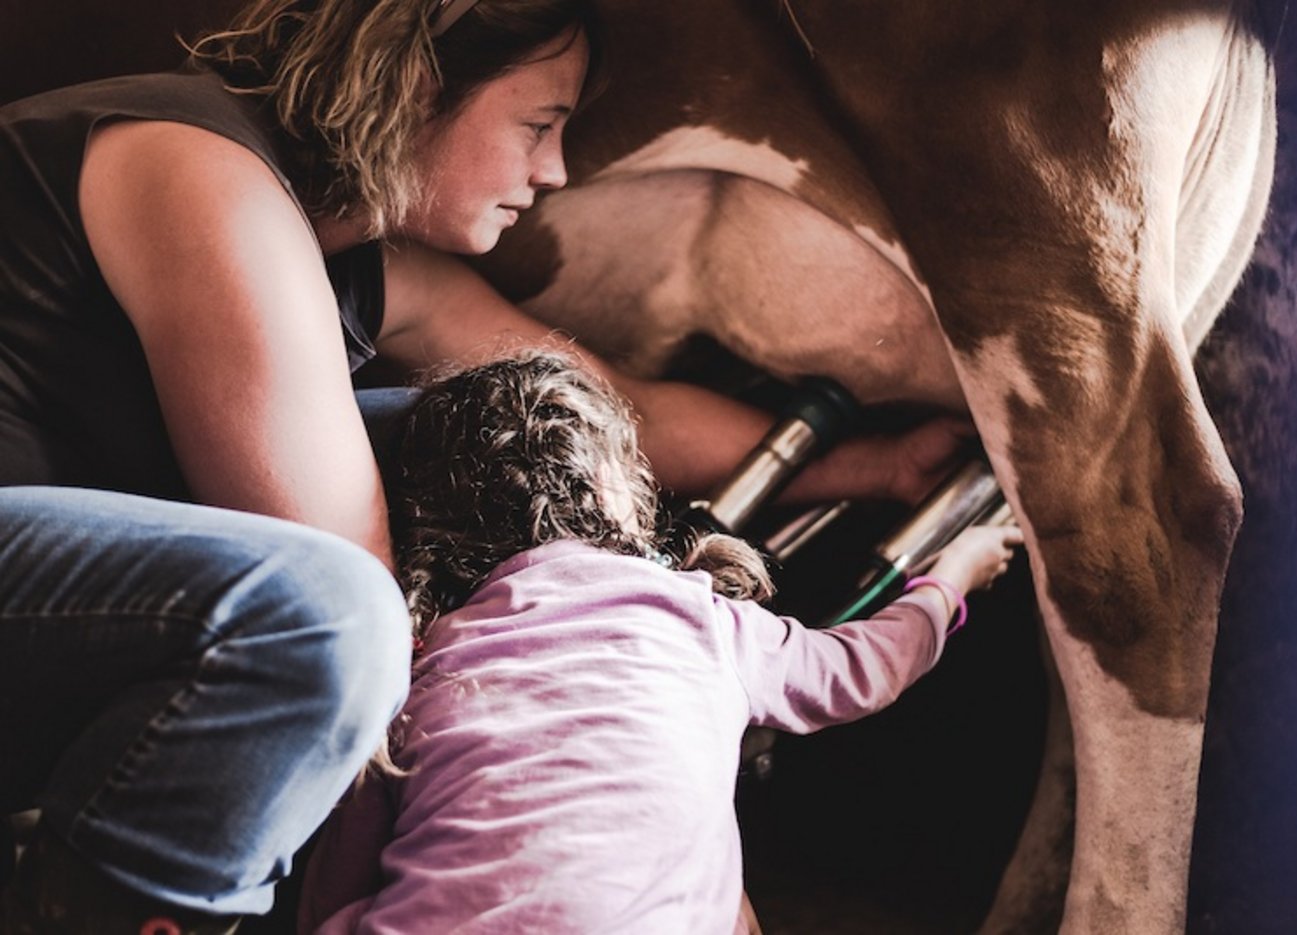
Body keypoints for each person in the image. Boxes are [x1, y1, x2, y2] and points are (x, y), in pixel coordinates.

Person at [0, 0, 969, 928]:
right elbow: (351, 564)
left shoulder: (361, 261)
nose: (553, 171)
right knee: (334, 608)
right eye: (539, 124)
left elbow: (604, 409)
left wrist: (869, 465)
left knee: (497, 435)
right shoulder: (194, 167)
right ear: (419, 85)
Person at [298, 350, 1024, 934]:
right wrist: (947, 582)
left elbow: (336, 884)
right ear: (617, 485)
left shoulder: (425, 662)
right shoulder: (696, 615)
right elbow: (864, 669)